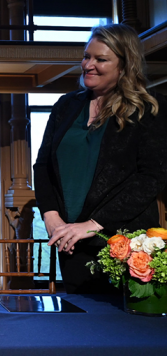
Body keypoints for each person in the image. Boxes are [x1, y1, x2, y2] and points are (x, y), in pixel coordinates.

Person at [34, 24, 167, 294]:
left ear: (124, 65)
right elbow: (43, 165)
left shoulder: (150, 108)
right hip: (70, 242)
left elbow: (151, 178)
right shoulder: (66, 106)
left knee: (126, 328)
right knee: (81, 326)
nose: (88, 65)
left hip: (124, 243)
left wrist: (93, 225)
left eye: (101, 59)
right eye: (86, 56)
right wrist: (52, 218)